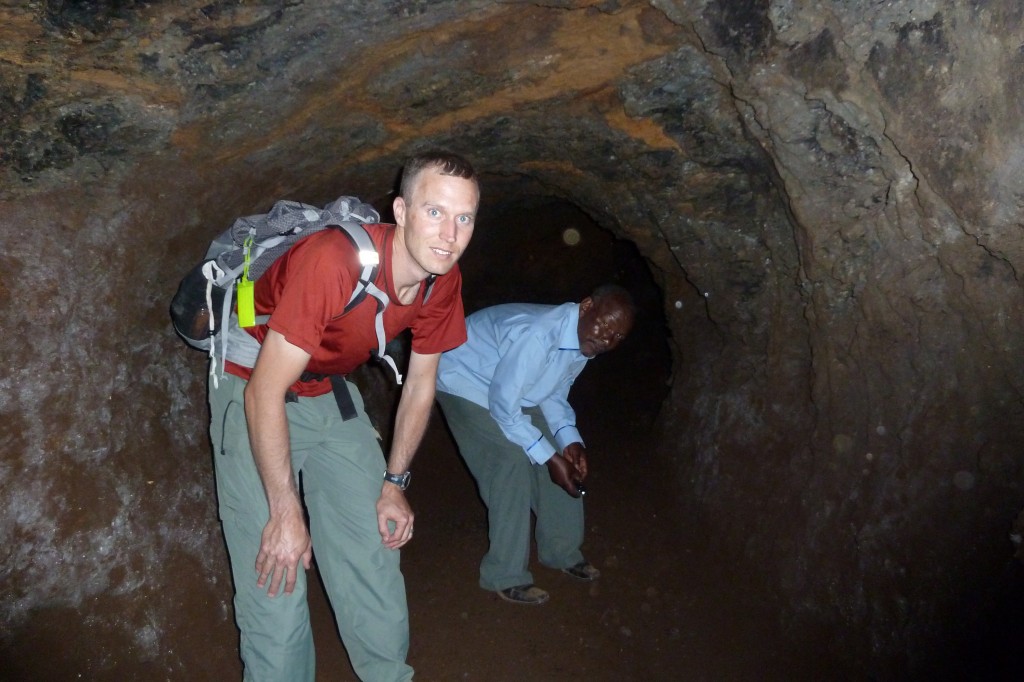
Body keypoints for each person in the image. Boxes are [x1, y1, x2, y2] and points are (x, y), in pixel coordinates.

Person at [207, 150, 480, 681]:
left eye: (464, 217)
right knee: (278, 568)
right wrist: (286, 513)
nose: (449, 234)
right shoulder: (335, 260)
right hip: (253, 381)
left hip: (325, 386)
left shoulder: (440, 278)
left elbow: (422, 382)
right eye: (434, 212)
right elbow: (265, 392)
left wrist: (394, 481)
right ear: (400, 211)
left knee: (372, 548)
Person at [434, 284, 636, 605]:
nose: (607, 340)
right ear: (586, 307)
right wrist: (548, 457)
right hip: (463, 379)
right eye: (605, 326)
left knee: (558, 451)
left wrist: (569, 439)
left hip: (507, 386)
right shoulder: (540, 335)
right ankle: (505, 573)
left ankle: (562, 551)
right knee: (510, 460)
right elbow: (503, 408)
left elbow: (553, 391)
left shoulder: (584, 341)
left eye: (617, 337)